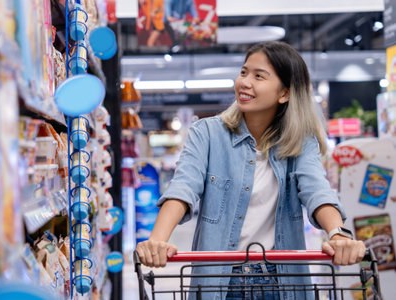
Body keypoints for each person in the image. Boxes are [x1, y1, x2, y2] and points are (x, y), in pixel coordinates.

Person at [135, 41, 366, 300]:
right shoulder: (207, 134)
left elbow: (316, 189)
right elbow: (183, 187)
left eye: (259, 76)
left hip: (282, 284)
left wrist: (337, 234)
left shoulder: (301, 142)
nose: (245, 82)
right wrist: (157, 240)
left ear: (285, 94)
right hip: (220, 283)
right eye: (244, 72)